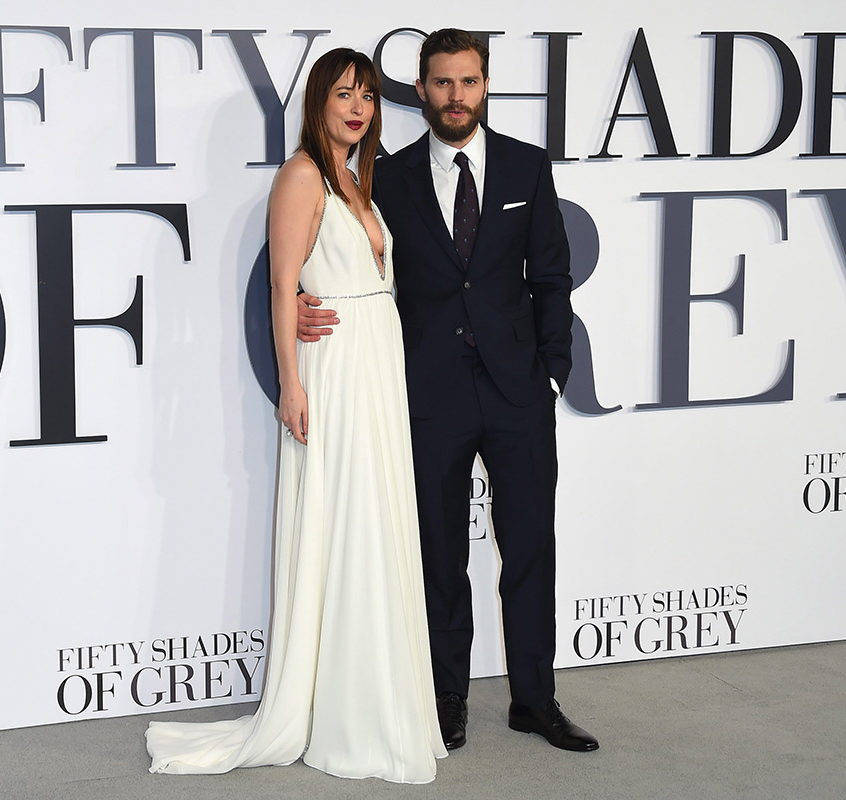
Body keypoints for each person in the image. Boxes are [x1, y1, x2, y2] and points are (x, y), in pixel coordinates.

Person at [145, 48, 447, 784]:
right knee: (343, 522)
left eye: (368, 95)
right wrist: (290, 383)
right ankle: (344, 710)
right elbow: (284, 286)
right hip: (335, 371)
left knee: (375, 522)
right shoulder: (303, 174)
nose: (359, 107)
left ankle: (378, 698)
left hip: (376, 367)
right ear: (318, 103)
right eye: (344, 94)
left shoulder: (359, 179)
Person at [298, 29, 598, 753]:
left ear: (484, 85)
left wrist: (550, 373)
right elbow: (336, 250)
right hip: (427, 393)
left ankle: (535, 700)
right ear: (422, 90)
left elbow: (551, 278)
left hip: (518, 392)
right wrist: (302, 302)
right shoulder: (386, 176)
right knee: (438, 556)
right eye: (442, 83)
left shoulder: (527, 166)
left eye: (468, 81)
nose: (455, 96)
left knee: (530, 548)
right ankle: (445, 698)